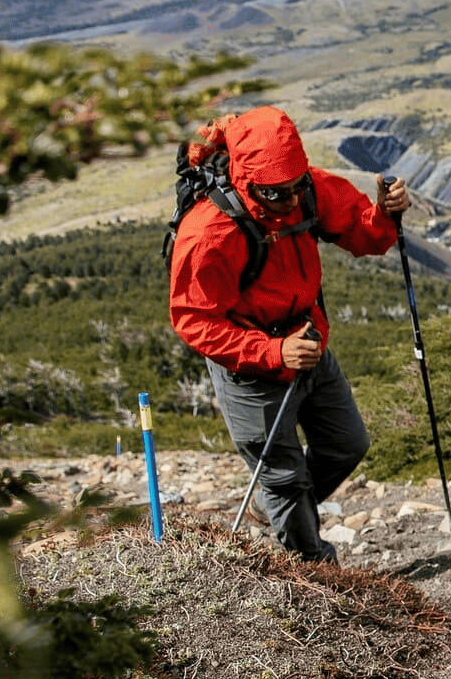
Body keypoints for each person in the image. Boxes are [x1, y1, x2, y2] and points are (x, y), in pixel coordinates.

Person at [168, 105, 412, 560]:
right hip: (249, 363)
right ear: (246, 178)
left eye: (295, 188)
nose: (290, 203)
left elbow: (365, 236)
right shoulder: (208, 232)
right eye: (275, 194)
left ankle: (276, 508)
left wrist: (383, 215)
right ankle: (315, 571)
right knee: (285, 476)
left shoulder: (305, 186)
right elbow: (194, 320)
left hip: (308, 340)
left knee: (346, 444)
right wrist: (273, 352)